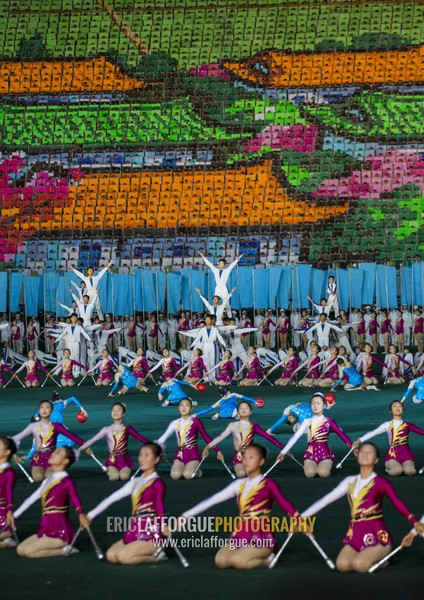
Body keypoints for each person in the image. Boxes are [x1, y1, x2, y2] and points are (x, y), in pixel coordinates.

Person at [301, 442, 424, 573]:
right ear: (357, 455)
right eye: (363, 451)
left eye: (370, 452)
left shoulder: (382, 483)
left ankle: (381, 556)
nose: (365, 454)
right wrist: (301, 518)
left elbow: (397, 503)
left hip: (377, 534)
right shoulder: (350, 481)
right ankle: (366, 555)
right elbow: (325, 500)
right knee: (342, 565)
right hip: (355, 532)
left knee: (359, 565)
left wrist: (414, 522)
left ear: (376, 460)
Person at [179, 444, 306, 569]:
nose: (246, 460)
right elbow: (212, 500)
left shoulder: (268, 484)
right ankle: (246, 553)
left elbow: (284, 503)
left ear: (261, 461)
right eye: (244, 457)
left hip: (261, 534)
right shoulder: (239, 484)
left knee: (239, 561)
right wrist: (186, 515)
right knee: (221, 561)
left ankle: (268, 560)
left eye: (251, 457)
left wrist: (298, 519)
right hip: (240, 532)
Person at [84, 443, 169, 564]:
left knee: (124, 558)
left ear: (156, 459)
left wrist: (163, 524)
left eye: (147, 455)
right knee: (111, 555)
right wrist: (90, 516)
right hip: (134, 529)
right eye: (140, 455)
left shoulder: (158, 483)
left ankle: (158, 555)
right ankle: (143, 550)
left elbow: (160, 506)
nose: (142, 458)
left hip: (152, 532)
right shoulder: (135, 482)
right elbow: (112, 498)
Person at [14, 446, 90, 558]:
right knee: (20, 550)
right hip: (45, 527)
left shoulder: (67, 481)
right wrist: (14, 516)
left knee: (29, 552)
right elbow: (31, 499)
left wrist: (81, 514)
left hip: (60, 531)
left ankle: (65, 550)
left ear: (65, 461)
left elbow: (75, 499)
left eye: (58, 452)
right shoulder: (47, 481)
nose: (53, 453)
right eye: (55, 451)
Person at [276, 393, 352, 478]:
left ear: (323, 405)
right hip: (310, 452)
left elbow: (340, 433)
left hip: (325, 452)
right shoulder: (306, 421)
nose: (315, 406)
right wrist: (283, 452)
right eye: (313, 403)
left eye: (318, 403)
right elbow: (295, 437)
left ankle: (326, 464)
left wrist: (351, 446)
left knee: (323, 473)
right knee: (310, 474)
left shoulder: (329, 421)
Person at [203, 401, 283, 478]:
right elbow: (221, 437)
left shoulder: (254, 426)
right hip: (238, 457)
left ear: (250, 412)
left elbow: (268, 437)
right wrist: (208, 447)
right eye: (241, 408)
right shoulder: (233, 425)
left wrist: (283, 448)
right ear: (237, 412)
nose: (244, 409)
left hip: (251, 456)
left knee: (250, 473)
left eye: (246, 408)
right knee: (241, 474)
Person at [12, 400, 85, 483]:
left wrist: (85, 445)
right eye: (42, 407)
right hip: (38, 458)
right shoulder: (33, 426)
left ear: (52, 411)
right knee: (38, 478)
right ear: (39, 410)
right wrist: (13, 452)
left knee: (49, 477)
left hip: (52, 457)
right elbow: (16, 438)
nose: (44, 410)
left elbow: (71, 436)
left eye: (47, 407)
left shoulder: (56, 426)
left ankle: (59, 469)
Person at [79, 402, 152, 481]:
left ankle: (125, 469)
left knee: (124, 477)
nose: (115, 412)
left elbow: (140, 437)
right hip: (112, 460)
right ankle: (111, 470)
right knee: (114, 477)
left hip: (124, 459)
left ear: (123, 414)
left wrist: (154, 446)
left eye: (118, 410)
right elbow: (93, 439)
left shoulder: (127, 428)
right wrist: (80, 449)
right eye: (113, 410)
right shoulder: (106, 429)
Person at [156, 398, 222, 480]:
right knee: (175, 476)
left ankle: (199, 471)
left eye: (187, 405)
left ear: (191, 408)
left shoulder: (196, 421)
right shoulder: (175, 423)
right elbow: (162, 439)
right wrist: (155, 448)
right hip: (180, 454)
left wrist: (217, 450)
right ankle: (186, 468)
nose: (184, 407)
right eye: (181, 405)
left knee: (188, 475)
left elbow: (206, 437)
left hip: (193, 453)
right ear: (178, 408)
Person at [353, 401, 424, 476]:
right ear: (390, 411)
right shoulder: (387, 425)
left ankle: (405, 466)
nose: (397, 408)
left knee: (410, 472)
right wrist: (359, 440)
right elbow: (373, 433)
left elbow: (422, 431)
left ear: (403, 410)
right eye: (394, 406)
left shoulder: (408, 425)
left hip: (406, 454)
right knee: (397, 471)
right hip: (393, 454)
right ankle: (388, 468)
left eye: (400, 406)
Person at [266, 398, 335, 434]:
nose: (294, 421)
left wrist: (270, 429)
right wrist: (327, 407)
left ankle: (329, 428)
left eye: (292, 421)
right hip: (309, 413)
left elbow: (281, 420)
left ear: (289, 417)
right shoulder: (297, 411)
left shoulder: (289, 410)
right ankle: (330, 427)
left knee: (303, 429)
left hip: (307, 414)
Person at [0, 437, 17, 548]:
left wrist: (10, 510)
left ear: (7, 452)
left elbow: (8, 492)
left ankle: (7, 535)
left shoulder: (9, 473)